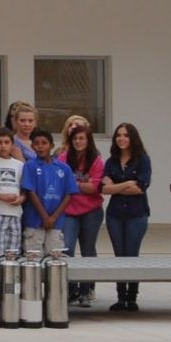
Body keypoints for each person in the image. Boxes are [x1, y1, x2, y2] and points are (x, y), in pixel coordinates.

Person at [101, 123, 151, 312]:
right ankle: (121, 298)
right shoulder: (111, 161)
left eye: (126, 135)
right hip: (115, 215)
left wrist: (117, 186)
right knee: (119, 256)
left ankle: (132, 298)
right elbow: (104, 189)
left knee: (132, 255)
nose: (122, 138)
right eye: (118, 135)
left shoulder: (143, 160)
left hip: (136, 214)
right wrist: (127, 183)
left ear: (133, 138)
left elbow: (140, 188)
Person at [57, 117, 105, 307]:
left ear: (88, 140)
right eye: (75, 138)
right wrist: (81, 185)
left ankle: (86, 291)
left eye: (82, 138)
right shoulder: (63, 157)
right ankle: (71, 289)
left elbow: (94, 188)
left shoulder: (97, 160)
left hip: (91, 211)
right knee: (67, 249)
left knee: (88, 250)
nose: (78, 141)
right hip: (69, 210)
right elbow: (61, 183)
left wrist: (73, 184)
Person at [20, 128, 76, 258]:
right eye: (36, 143)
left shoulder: (64, 168)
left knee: (54, 260)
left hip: (56, 222)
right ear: (32, 146)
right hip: (34, 221)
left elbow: (69, 194)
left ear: (52, 145)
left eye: (44, 143)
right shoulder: (30, 165)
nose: (40, 146)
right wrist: (45, 217)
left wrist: (54, 217)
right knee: (33, 262)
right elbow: (30, 191)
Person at [0, 130, 25, 256]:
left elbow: (24, 189)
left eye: (6, 142)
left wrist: (21, 198)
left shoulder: (20, 165)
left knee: (13, 254)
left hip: (15, 214)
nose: (3, 146)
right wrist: (2, 196)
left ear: (12, 144)